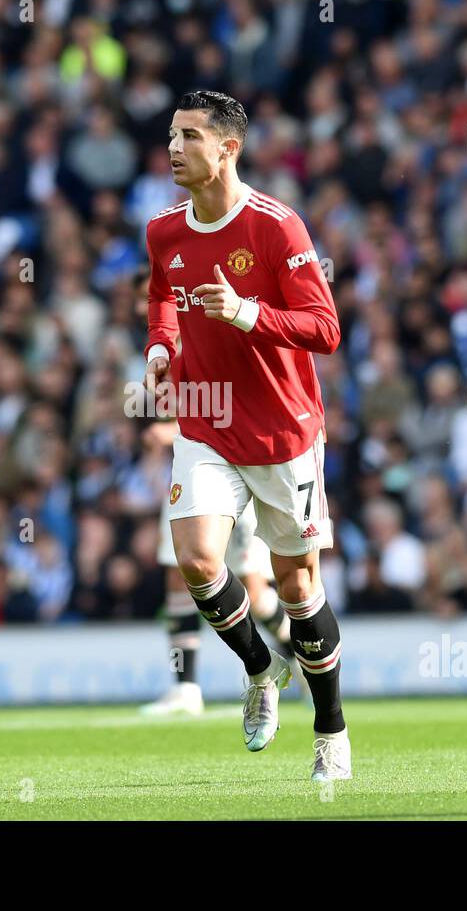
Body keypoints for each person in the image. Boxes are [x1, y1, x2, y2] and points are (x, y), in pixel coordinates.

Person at [142, 90, 348, 781]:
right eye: (172, 135)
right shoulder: (164, 231)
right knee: (197, 560)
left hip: (285, 431)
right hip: (206, 421)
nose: (174, 148)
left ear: (228, 149)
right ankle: (260, 669)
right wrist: (163, 346)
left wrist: (248, 312)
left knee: (297, 586)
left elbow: (326, 330)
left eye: (190, 137)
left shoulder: (277, 227)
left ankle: (330, 730)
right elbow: (162, 298)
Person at [139, 419, 295, 717]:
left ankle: (295, 660)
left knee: (253, 588)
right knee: (178, 575)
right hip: (188, 472)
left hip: (236, 471)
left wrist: (173, 430)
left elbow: (235, 407)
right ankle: (186, 687)